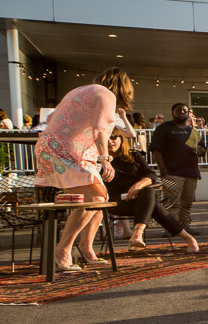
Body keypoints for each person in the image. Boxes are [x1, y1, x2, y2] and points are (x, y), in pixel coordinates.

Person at [33, 68, 138, 270]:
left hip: (59, 149)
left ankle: (85, 247)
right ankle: (62, 250)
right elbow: (99, 129)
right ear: (123, 87)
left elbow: (51, 118)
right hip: (63, 151)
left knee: (101, 198)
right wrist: (105, 160)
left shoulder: (82, 90)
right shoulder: (105, 94)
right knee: (94, 199)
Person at [104, 132, 200, 252]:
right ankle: (188, 238)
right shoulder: (101, 162)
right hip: (117, 202)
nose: (109, 141)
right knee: (153, 204)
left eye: (113, 136)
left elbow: (151, 175)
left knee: (148, 192)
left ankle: (137, 235)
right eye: (106, 137)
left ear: (121, 139)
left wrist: (137, 186)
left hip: (140, 198)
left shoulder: (133, 156)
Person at [150, 103, 205, 234]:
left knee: (187, 203)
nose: (182, 112)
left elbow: (203, 149)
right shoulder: (164, 128)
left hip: (191, 172)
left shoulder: (194, 131)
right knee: (172, 203)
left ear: (188, 113)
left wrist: (200, 150)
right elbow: (156, 151)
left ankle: (185, 227)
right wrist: (163, 171)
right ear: (173, 112)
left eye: (185, 110)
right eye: (178, 110)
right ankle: (171, 229)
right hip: (172, 172)